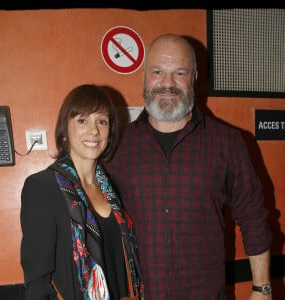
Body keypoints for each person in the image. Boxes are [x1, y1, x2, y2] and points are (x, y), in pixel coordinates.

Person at [103, 34, 273, 299]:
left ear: (194, 77)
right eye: (158, 72)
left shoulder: (228, 142)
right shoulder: (117, 147)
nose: (167, 83)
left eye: (179, 72)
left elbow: (254, 217)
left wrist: (262, 288)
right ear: (144, 76)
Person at [20, 84, 144, 300]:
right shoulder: (42, 187)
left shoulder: (111, 188)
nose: (94, 130)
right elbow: (37, 282)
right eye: (82, 120)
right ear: (65, 129)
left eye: (102, 122)